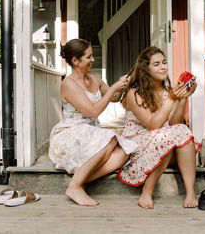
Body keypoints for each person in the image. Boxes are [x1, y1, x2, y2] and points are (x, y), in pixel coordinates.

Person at [49, 38, 138, 206]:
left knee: (125, 151)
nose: (93, 59)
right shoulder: (68, 84)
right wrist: (113, 87)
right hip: (70, 134)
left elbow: (114, 97)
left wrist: (123, 85)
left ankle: (78, 182)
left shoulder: (95, 79)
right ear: (75, 61)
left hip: (92, 134)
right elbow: (93, 111)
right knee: (111, 138)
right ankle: (76, 186)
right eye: (89, 57)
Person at [118, 46, 201, 209]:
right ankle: (147, 191)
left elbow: (175, 124)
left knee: (181, 132)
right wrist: (171, 99)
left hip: (163, 142)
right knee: (172, 137)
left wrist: (183, 98)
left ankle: (191, 192)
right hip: (138, 145)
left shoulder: (167, 91)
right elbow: (153, 125)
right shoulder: (134, 93)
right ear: (145, 69)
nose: (163, 67)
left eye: (164, 62)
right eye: (156, 64)